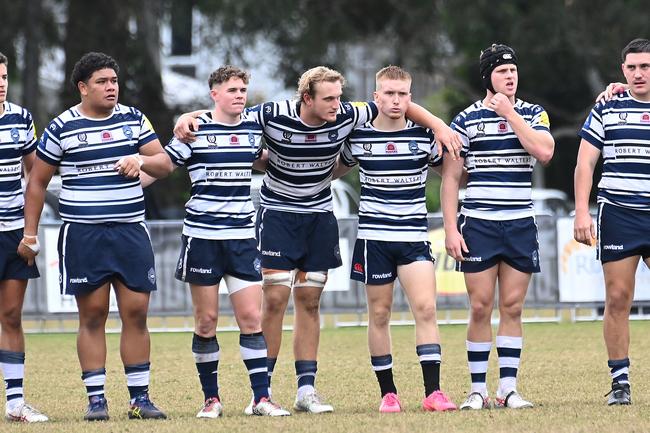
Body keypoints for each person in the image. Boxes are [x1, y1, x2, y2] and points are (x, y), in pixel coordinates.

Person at [174, 66, 462, 414]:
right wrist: (188, 117)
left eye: (340, 97)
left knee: (310, 301)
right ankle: (261, 394)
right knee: (276, 299)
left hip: (319, 217)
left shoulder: (347, 114)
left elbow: (397, 102)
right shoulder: (271, 114)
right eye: (329, 98)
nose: (338, 105)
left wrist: (439, 125)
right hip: (278, 214)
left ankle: (305, 389)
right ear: (307, 98)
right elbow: (227, 111)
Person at [17, 52, 171, 421]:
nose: (111, 88)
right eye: (102, 82)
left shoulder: (134, 120)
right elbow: (37, 182)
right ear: (83, 87)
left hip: (130, 231)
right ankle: (96, 400)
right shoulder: (61, 126)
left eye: (114, 81)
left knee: (136, 312)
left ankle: (139, 399)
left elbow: (164, 163)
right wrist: (30, 234)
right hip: (83, 234)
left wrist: (141, 161)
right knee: (93, 314)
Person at [151, 65, 289, 417]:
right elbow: (165, 164)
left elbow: (268, 156)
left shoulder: (253, 128)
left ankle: (261, 398)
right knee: (206, 320)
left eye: (243, 89)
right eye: (232, 90)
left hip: (242, 237)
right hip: (202, 238)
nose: (239, 95)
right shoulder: (195, 130)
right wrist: (137, 164)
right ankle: (211, 399)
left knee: (251, 318)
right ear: (214, 94)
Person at [334, 66, 456, 413]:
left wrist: (461, 162)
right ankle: (388, 393)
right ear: (376, 97)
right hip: (374, 240)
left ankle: (433, 392)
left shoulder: (424, 137)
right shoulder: (358, 137)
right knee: (380, 314)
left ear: (410, 98)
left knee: (426, 309)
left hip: (413, 238)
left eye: (402, 93)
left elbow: (450, 173)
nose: (396, 100)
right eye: (389, 93)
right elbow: (333, 169)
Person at [442, 44, 554, 410]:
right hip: (479, 224)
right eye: (502, 71)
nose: (510, 77)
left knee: (512, 306)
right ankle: (477, 389)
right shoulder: (466, 120)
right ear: (487, 77)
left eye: (513, 71)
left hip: (519, 223)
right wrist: (450, 229)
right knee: (480, 306)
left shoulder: (534, 113)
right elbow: (450, 178)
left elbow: (544, 152)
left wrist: (511, 115)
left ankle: (508, 388)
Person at [574, 38, 650, 406]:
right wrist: (582, 211)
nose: (638, 74)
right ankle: (620, 382)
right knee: (618, 298)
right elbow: (585, 163)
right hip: (618, 212)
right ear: (623, 70)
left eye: (646, 67)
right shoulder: (608, 106)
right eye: (632, 67)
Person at [0, 52, 49, 423]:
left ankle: (15, 403)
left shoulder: (21, 118)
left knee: (12, 315)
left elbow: (36, 178)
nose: (1, 83)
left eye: (3, 76)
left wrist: (30, 230)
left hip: (14, 232)